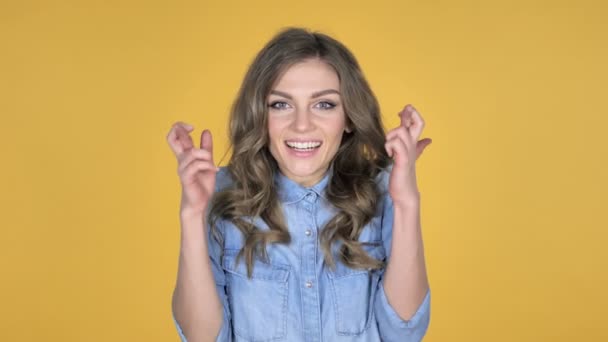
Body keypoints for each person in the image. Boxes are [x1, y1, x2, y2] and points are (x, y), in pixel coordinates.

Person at [167, 26, 433, 342]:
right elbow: (202, 338)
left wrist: (406, 202)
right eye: (281, 104)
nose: (302, 124)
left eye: (324, 104)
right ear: (259, 115)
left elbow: (404, 332)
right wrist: (192, 215)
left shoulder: (381, 192)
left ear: (348, 117)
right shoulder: (219, 192)